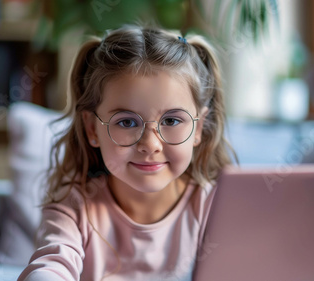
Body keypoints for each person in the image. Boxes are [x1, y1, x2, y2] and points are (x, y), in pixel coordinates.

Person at [17, 24, 235, 281]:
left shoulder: (219, 208)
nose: (151, 144)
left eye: (172, 121)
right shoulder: (74, 208)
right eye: (127, 122)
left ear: (198, 128)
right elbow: (51, 265)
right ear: (92, 129)